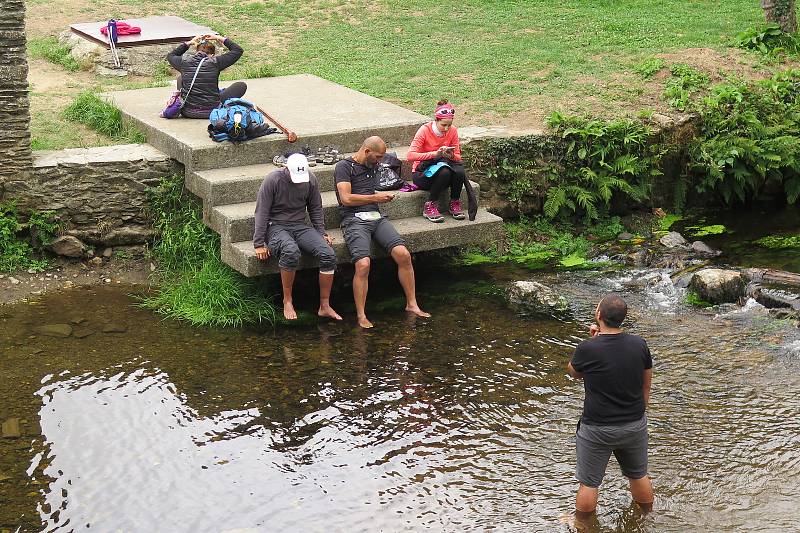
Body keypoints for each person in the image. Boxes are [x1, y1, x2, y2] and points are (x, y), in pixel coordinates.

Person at [566, 294, 654, 519]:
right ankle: (646, 517)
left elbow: (574, 372)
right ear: (622, 319)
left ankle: (584, 525)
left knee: (589, 483)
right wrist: (638, 413)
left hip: (597, 428)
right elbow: (646, 385)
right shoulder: (639, 345)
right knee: (638, 475)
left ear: (599, 315)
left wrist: (593, 341)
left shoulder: (588, 348)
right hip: (634, 424)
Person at [333, 136, 431, 328]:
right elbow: (345, 199)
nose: (379, 161)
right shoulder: (344, 167)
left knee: (403, 254)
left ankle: (412, 304)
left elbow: (391, 177)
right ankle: (361, 315)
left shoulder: (374, 166)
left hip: (376, 217)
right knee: (363, 264)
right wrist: (375, 197)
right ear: (367, 151)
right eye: (378, 157)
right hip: (353, 219)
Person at [253, 153, 341, 322]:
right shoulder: (273, 180)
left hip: (299, 226)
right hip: (276, 227)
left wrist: (321, 232)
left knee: (328, 254)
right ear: (286, 169)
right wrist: (258, 243)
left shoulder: (310, 179)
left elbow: (315, 207)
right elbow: (261, 212)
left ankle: (325, 305)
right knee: (291, 251)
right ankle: (287, 300)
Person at [406, 99, 469, 223]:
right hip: (423, 174)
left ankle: (454, 202)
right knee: (444, 171)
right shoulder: (424, 130)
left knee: (460, 171)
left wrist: (450, 155)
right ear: (436, 120)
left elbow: (458, 157)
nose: (446, 129)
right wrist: (435, 154)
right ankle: (430, 205)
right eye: (443, 125)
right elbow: (410, 156)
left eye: (449, 125)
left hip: (443, 172)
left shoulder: (453, 131)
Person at [166, 34, 246, 119]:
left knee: (181, 78)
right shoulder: (216, 62)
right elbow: (238, 50)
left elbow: (170, 56)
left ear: (197, 52)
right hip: (212, 111)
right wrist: (219, 38)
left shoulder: (184, 62)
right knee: (241, 86)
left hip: (188, 111)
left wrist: (188, 43)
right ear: (212, 54)